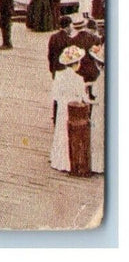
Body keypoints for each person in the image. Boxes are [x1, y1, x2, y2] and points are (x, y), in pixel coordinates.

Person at [50, 45, 87, 173]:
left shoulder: (59, 75)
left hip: (62, 107)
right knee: (71, 134)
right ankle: (71, 161)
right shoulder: (79, 79)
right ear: (76, 64)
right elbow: (83, 98)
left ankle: (59, 160)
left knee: (61, 131)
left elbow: (55, 95)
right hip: (73, 109)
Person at [88, 45, 104, 174]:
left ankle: (98, 164)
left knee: (97, 135)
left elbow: (96, 93)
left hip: (99, 109)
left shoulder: (101, 78)